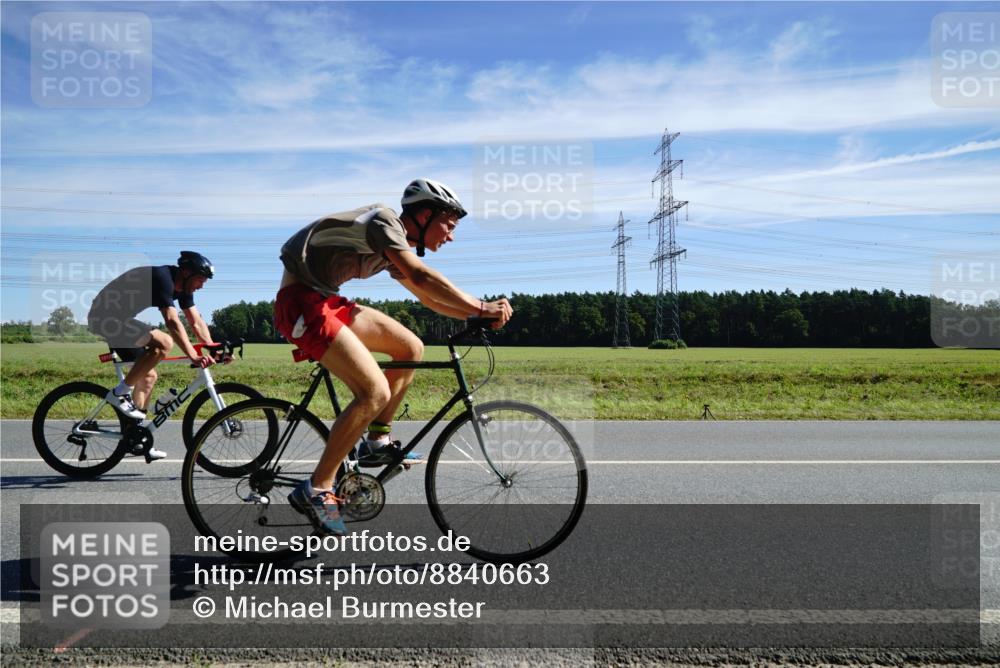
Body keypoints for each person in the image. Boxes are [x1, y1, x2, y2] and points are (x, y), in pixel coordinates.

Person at [275, 178, 512, 535]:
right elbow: (421, 274)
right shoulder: (384, 221)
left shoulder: (391, 246)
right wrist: (480, 305)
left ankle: (376, 442)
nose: (450, 236)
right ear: (425, 214)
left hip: (326, 301)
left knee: (410, 347)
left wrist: (474, 317)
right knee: (374, 393)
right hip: (301, 304)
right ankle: (318, 487)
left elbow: (427, 296)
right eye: (449, 225)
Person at [87, 251, 218, 460]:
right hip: (104, 318)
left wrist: (213, 347)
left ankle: (136, 437)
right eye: (200, 280)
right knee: (165, 341)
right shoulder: (162, 278)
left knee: (148, 376)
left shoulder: (183, 287)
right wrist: (193, 355)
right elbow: (173, 322)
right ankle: (120, 393)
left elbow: (196, 321)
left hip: (119, 321)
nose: (201, 286)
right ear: (186, 273)